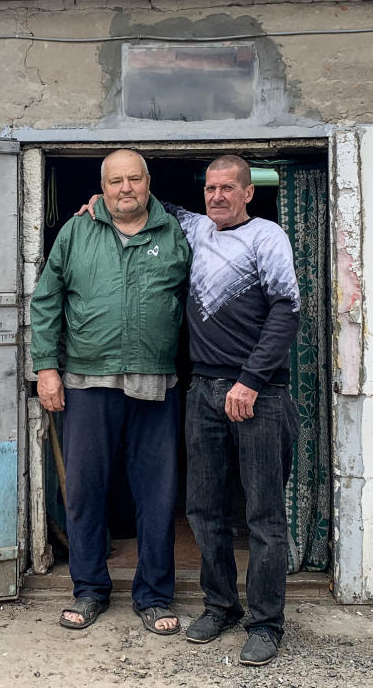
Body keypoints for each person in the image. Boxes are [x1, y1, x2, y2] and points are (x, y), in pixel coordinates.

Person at [81, 154, 301, 666]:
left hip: (259, 394)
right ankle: (221, 604)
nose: (218, 196)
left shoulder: (268, 238)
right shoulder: (195, 229)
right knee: (203, 508)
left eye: (229, 188)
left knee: (264, 515)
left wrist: (250, 381)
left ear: (249, 193)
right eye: (211, 188)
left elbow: (287, 312)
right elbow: (142, 203)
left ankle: (266, 624)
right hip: (203, 390)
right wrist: (98, 199)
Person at [30, 149, 191, 636]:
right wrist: (46, 368)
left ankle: (155, 595)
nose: (126, 188)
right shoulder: (76, 231)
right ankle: (90, 589)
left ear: (148, 182)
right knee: (85, 492)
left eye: (134, 179)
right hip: (86, 382)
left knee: (158, 495)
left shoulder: (179, 233)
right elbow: (46, 300)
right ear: (102, 188)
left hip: (156, 382)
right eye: (116, 180)